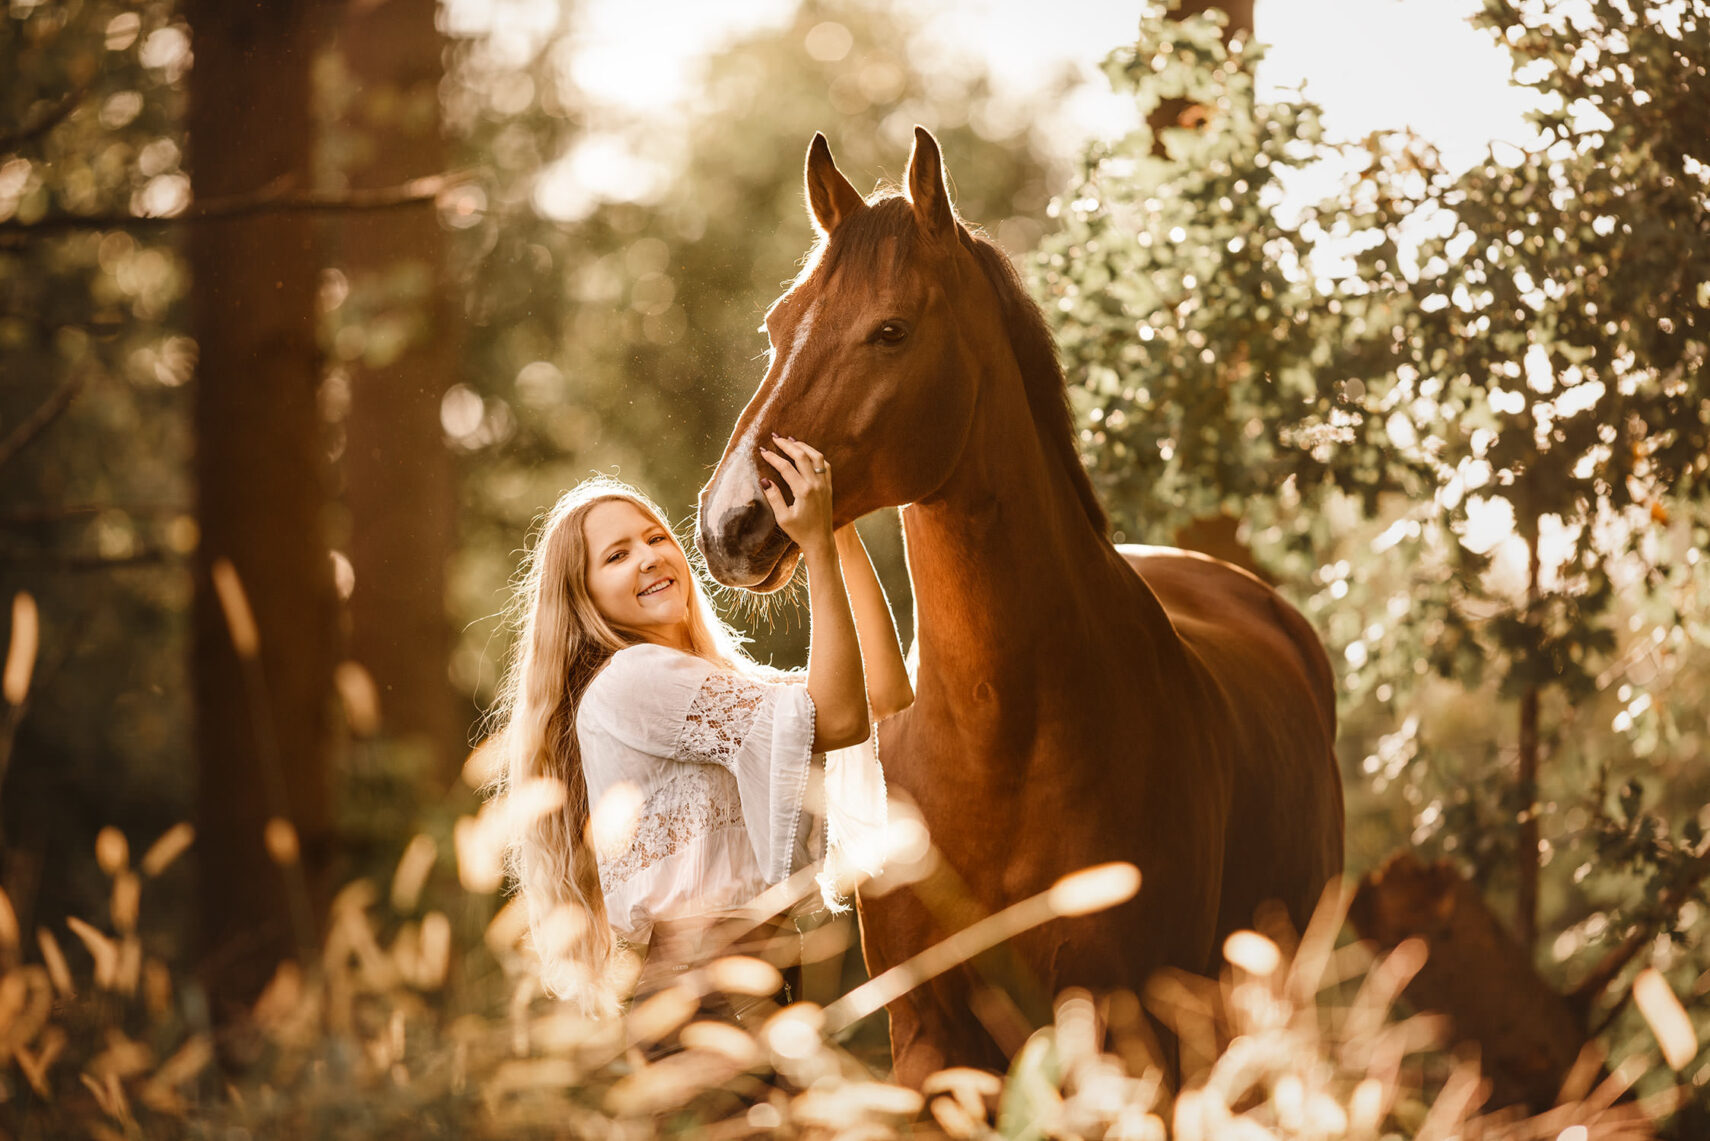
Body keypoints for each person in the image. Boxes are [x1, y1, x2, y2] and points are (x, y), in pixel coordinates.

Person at [490, 436, 912, 1017]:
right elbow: (838, 717)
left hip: (754, 984)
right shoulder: (633, 678)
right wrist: (813, 546)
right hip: (703, 993)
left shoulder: (706, 686)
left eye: (656, 537)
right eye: (616, 556)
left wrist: (837, 527)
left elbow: (882, 696)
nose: (648, 556)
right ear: (582, 596)